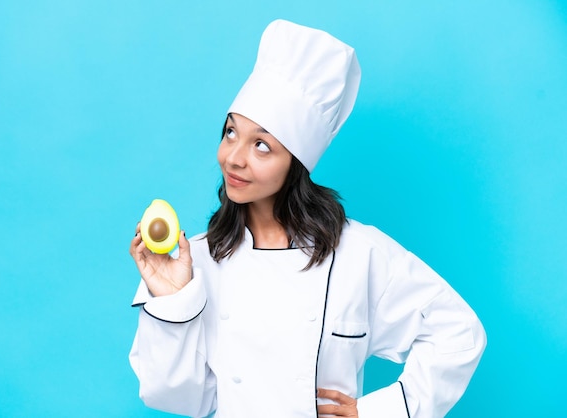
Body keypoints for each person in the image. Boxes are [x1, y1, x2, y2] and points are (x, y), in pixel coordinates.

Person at [128, 19, 486, 418]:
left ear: (296, 161)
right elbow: (173, 397)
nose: (233, 157)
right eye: (231, 132)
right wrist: (173, 300)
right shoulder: (197, 259)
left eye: (261, 145)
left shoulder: (358, 253)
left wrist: (382, 411)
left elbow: (459, 334)